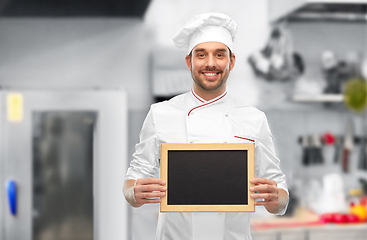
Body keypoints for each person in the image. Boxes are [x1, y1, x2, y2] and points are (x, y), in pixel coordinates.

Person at [123, 12, 289, 240]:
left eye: (219, 54)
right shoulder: (160, 114)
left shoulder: (253, 118)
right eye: (201, 55)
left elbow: (279, 191)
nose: (210, 63)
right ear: (189, 61)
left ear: (231, 61)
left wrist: (276, 198)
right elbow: (133, 179)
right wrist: (134, 192)